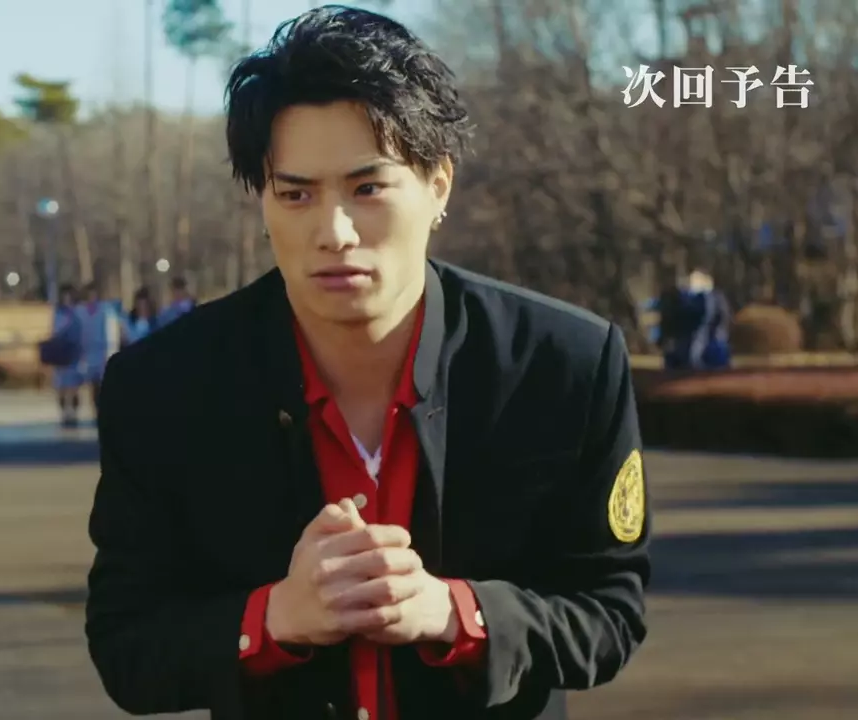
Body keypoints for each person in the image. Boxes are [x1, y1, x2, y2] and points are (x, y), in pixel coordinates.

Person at [85, 8, 650, 720]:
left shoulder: (563, 366)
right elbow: (127, 646)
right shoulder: (164, 388)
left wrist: (457, 613)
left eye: (368, 188)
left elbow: (610, 609)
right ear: (262, 200)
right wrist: (272, 618)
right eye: (296, 194)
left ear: (438, 185)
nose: (334, 232)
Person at [67, 281, 122, 426]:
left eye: (94, 294)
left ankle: (101, 412)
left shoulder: (104, 310)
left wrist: (110, 351)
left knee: (101, 385)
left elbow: (110, 331)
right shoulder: (80, 311)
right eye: (89, 294)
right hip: (86, 352)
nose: (92, 297)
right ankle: (89, 411)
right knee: (89, 385)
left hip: (101, 351)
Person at [50, 284, 82, 427]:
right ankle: (64, 412)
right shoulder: (58, 313)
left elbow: (82, 330)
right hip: (61, 353)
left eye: (69, 296)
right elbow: (55, 331)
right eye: (65, 296)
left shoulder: (78, 311)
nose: (67, 299)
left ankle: (73, 412)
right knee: (61, 386)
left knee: (74, 386)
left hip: (74, 352)